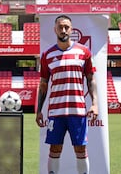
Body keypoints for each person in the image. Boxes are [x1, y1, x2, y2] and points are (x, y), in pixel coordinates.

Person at [35, 15, 98, 174]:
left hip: (77, 111)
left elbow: (91, 80)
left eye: (66, 27)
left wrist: (95, 104)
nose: (63, 30)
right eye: (60, 27)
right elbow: (43, 84)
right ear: (55, 29)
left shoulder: (84, 52)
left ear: (71, 29)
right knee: (55, 149)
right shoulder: (47, 55)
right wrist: (38, 110)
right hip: (56, 112)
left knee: (80, 149)